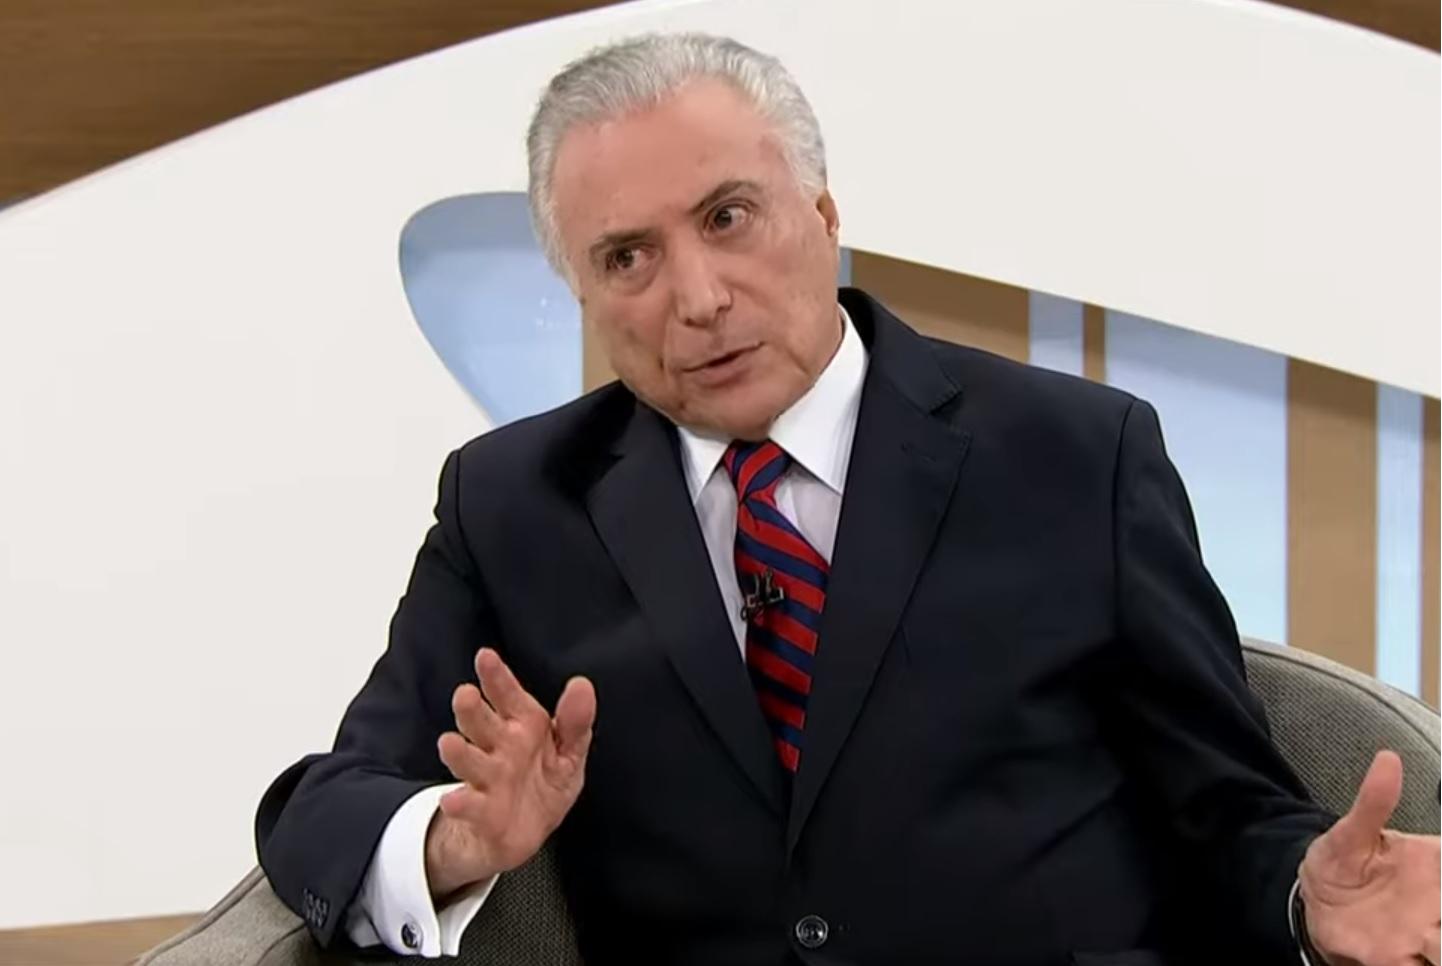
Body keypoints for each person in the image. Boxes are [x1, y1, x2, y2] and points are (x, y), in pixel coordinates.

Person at [255, 32, 1440, 965]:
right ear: (580, 294)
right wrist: (454, 841)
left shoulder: (1076, 455)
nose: (698, 299)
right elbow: (324, 805)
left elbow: (1224, 810)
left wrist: (1306, 900)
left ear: (821, 215)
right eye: (627, 258)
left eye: (727, 218)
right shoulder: (513, 503)